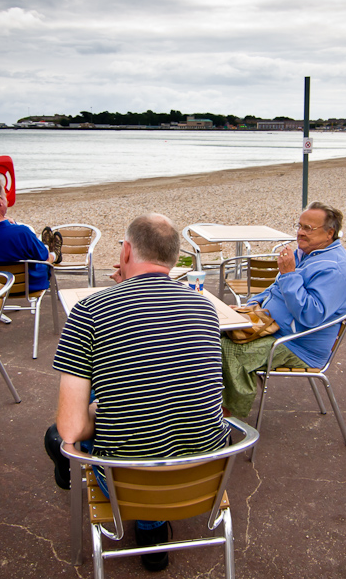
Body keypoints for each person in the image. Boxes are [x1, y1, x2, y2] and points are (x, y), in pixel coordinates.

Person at [45, 213, 230, 572]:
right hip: (205, 474)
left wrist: (98, 413)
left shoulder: (89, 311)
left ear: (126, 251)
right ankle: (153, 536)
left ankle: (147, 522)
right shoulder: (205, 307)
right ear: (175, 259)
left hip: (125, 480)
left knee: (58, 436)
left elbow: (71, 429)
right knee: (145, 381)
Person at [221, 202, 346, 417]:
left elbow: (310, 315)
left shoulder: (335, 269)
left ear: (329, 233)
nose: (300, 233)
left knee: (229, 352)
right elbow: (274, 290)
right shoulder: (309, 254)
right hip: (269, 326)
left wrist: (288, 275)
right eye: (300, 226)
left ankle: (226, 419)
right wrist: (248, 307)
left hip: (297, 344)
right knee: (208, 336)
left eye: (308, 229)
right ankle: (204, 404)